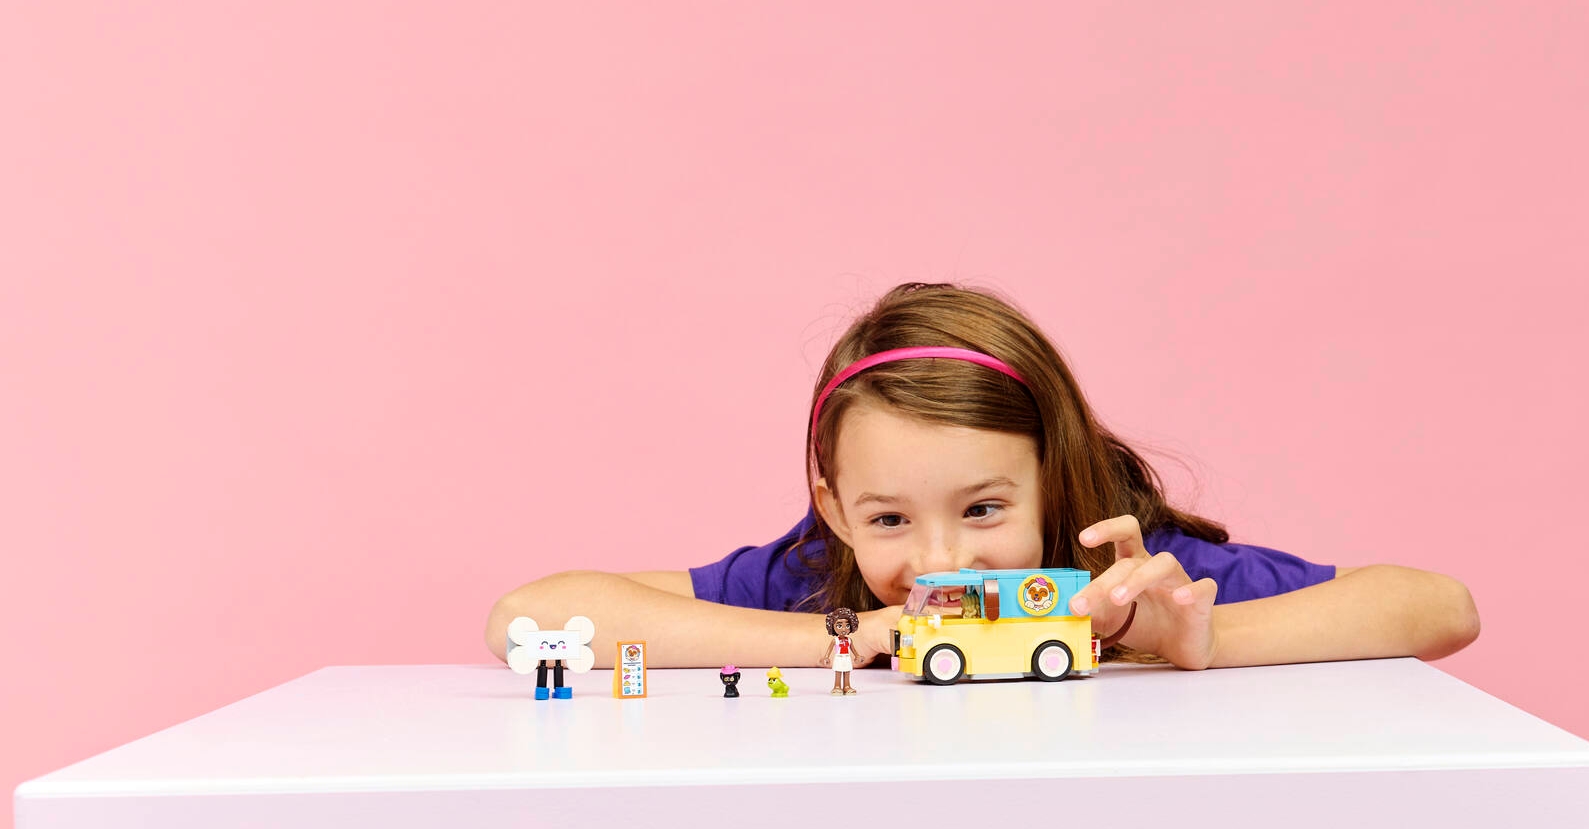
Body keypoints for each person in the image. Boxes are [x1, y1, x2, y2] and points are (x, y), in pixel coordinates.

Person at [484, 283, 1479, 672]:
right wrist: (852, 635)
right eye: (889, 518)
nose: (941, 558)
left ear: (1055, 480)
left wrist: (1194, 641)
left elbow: (1440, 606)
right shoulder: (824, 580)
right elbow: (528, 616)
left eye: (986, 508)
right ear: (836, 509)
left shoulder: (1129, 581)